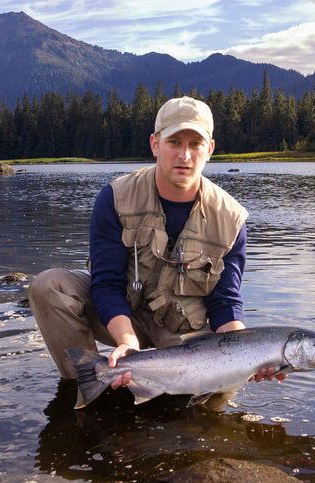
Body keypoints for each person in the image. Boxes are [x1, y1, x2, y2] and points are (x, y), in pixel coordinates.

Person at [28, 96, 286, 391]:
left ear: (210, 149)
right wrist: (126, 342)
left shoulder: (231, 220)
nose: (184, 156)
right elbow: (107, 284)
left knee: (208, 404)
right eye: (174, 142)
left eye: (195, 144)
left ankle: (162, 388)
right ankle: (88, 381)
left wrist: (249, 357)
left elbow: (225, 302)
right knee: (49, 287)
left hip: (184, 330)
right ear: (155, 144)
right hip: (122, 313)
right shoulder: (115, 199)